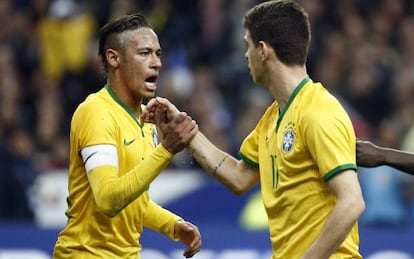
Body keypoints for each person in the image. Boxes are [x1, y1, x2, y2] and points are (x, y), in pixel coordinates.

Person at [142, 1, 366, 258]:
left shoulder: (318, 111)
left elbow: (351, 202)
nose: (246, 55)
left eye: (248, 46)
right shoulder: (274, 117)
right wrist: (186, 131)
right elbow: (239, 177)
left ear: (263, 50)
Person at [53, 13, 201, 259]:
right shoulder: (96, 112)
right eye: (144, 53)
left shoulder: (145, 119)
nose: (157, 63)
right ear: (114, 58)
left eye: (158, 54)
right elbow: (109, 200)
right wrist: (166, 150)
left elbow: (132, 201)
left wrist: (172, 225)